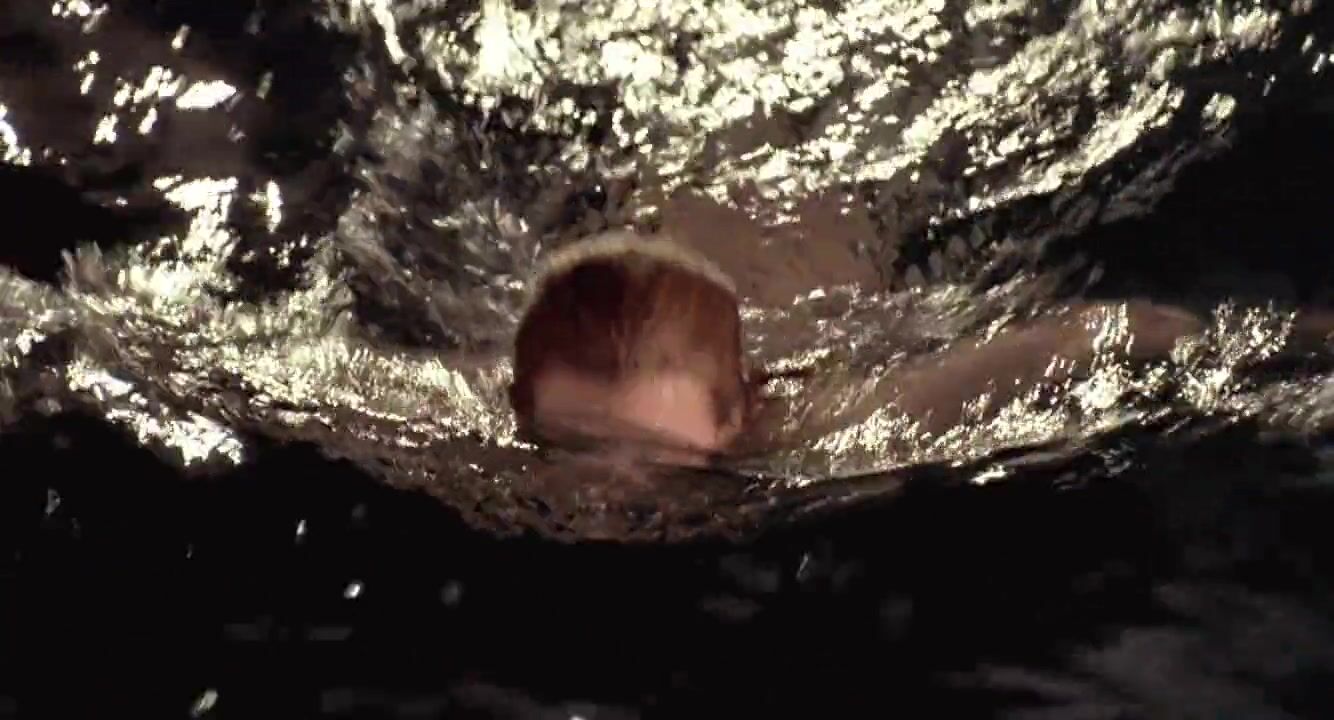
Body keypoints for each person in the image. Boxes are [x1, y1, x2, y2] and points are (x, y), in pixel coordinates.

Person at [509, 230, 1329, 459]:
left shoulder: (834, 426)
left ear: (744, 413)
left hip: (822, 237)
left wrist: (1307, 344)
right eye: (570, 447)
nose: (604, 510)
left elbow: (1101, 333)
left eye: (659, 466)